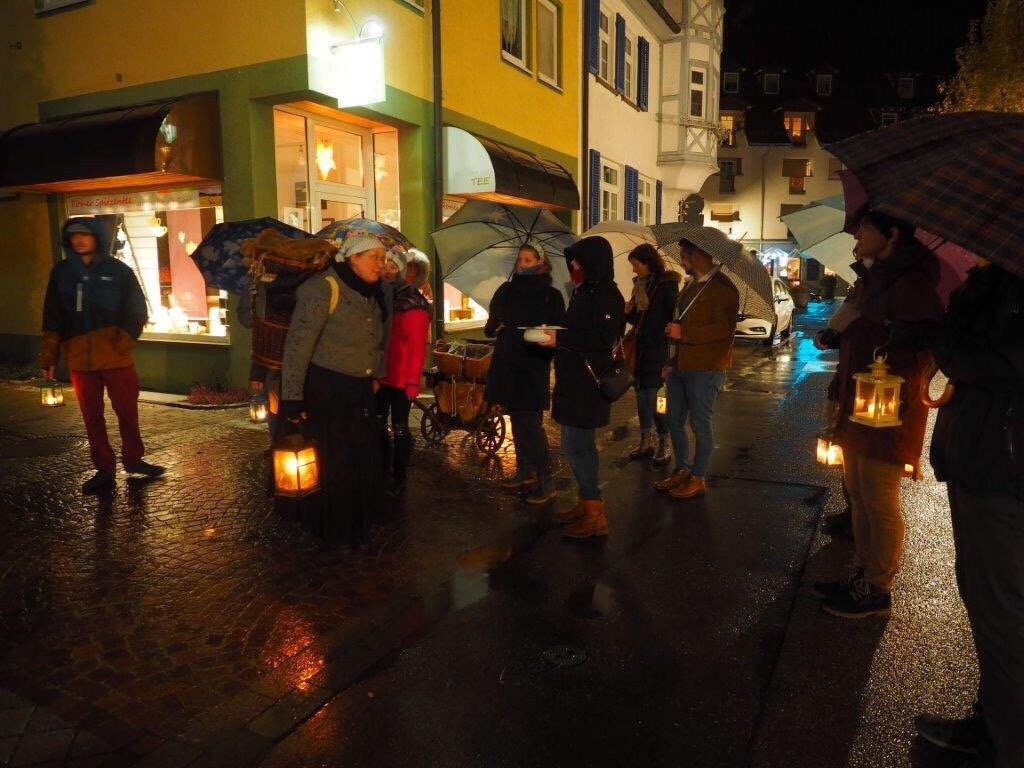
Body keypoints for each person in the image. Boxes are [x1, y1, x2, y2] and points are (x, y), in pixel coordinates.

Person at [887, 257, 1024, 767]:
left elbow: (1006, 359)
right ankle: (993, 721)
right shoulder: (996, 281)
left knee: (1001, 611)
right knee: (986, 600)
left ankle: (1007, 745)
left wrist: (945, 342)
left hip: (1003, 469)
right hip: (983, 461)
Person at [812, 211, 943, 619]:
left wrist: (883, 329)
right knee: (858, 491)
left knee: (879, 496)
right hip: (860, 398)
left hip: (888, 407)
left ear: (892, 234)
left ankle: (878, 586)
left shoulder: (911, 282)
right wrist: (842, 332)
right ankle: (862, 571)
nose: (856, 235)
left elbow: (924, 342)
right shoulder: (877, 276)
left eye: (864, 229)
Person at [38, 218, 164, 494]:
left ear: (97, 237)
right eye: (74, 236)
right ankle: (103, 469)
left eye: (85, 235)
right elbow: (52, 315)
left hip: (116, 357)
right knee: (91, 417)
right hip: (81, 359)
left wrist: (125, 339)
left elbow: (136, 308)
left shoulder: (118, 271)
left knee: (127, 412)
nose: (79, 240)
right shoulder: (61, 273)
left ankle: (134, 459)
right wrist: (49, 356)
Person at [280, 235, 390, 548]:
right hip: (328, 389)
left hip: (359, 389)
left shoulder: (371, 293)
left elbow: (376, 338)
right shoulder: (323, 288)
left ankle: (358, 520)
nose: (380, 264)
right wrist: (292, 397)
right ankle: (333, 527)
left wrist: (374, 373)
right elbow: (298, 347)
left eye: (383, 258)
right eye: (374, 257)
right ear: (352, 258)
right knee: (335, 462)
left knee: (361, 458)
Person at [537, 236, 624, 538]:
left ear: (592, 263)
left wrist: (560, 339)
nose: (572, 265)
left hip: (587, 382)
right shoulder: (585, 291)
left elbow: (601, 340)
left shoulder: (606, 295)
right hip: (574, 378)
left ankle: (594, 514)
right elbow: (578, 329)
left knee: (575, 446)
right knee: (580, 446)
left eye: (577, 261)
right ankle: (588, 503)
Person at [654, 230, 739, 501]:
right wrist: (670, 362)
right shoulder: (690, 286)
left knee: (700, 423)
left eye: (684, 256)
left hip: (706, 368)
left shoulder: (723, 288)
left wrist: (685, 334)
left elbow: (724, 330)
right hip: (680, 366)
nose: (681, 261)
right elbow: (679, 324)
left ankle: (698, 477)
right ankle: (682, 468)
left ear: (698, 255)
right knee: (674, 420)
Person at [485, 241, 566, 504]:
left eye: (528, 260)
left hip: (532, 366)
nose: (521, 264)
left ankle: (545, 480)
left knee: (531, 424)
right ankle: (525, 472)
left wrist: (539, 338)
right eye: (520, 260)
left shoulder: (550, 296)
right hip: (507, 364)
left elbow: (556, 334)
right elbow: (491, 325)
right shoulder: (506, 290)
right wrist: (495, 326)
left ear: (541, 263)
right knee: (517, 420)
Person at [816, 248, 875, 541]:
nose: (856, 238)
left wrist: (837, 333)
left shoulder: (887, 283)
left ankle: (860, 522)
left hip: (866, 381)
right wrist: (834, 333)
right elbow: (851, 318)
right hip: (848, 374)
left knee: (860, 452)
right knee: (845, 444)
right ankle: (852, 510)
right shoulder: (866, 279)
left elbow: (868, 327)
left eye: (864, 228)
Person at [376, 247, 432, 497]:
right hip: (380, 375)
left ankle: (399, 474)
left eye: (393, 266)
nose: (388, 270)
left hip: (400, 378)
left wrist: (412, 382)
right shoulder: (380, 296)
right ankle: (380, 470)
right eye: (384, 264)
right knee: (377, 424)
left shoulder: (414, 303)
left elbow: (417, 346)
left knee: (399, 427)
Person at [624, 244, 681, 466]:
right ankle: (645, 440)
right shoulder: (638, 286)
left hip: (659, 350)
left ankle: (664, 440)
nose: (634, 270)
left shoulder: (667, 286)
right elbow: (637, 322)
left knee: (657, 399)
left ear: (647, 263)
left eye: (636, 265)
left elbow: (673, 317)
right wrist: (628, 313)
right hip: (641, 351)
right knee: (640, 398)